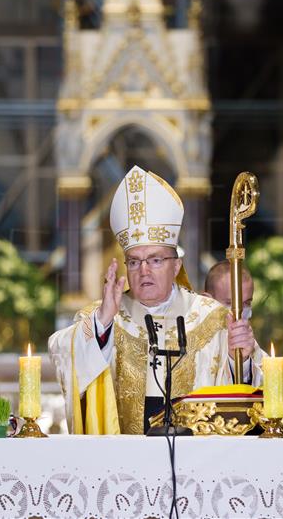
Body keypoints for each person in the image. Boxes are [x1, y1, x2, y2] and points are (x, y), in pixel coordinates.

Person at [49, 166, 265, 435]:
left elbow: (253, 388)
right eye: (135, 261)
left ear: (176, 266)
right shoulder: (103, 317)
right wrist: (103, 323)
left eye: (155, 259)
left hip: (197, 463)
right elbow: (60, 351)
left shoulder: (212, 317)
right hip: (123, 464)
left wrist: (241, 359)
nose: (144, 270)